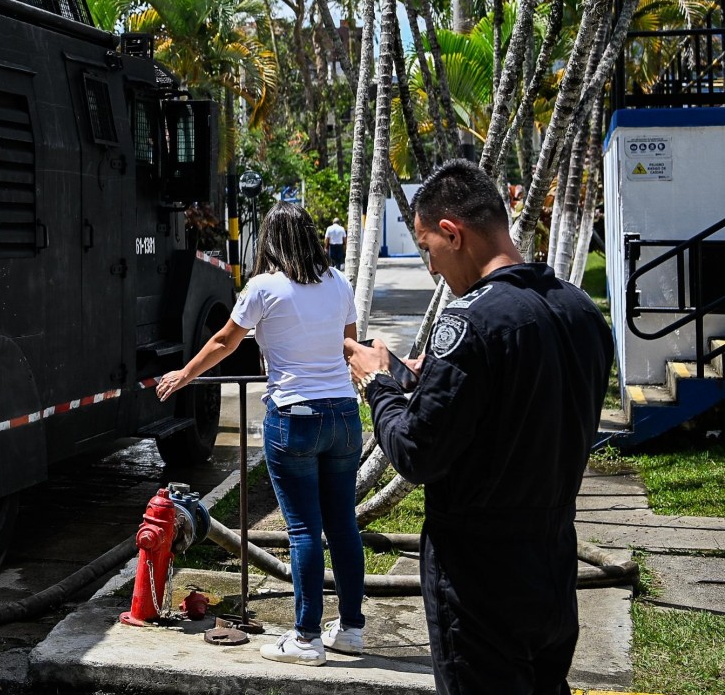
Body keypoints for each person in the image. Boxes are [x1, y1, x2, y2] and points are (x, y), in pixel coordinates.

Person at [346, 159, 612, 695]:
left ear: (453, 232)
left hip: (480, 579)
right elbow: (522, 409)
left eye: (428, 249)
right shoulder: (580, 310)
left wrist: (379, 385)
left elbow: (417, 451)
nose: (432, 268)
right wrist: (429, 380)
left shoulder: (470, 321)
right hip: (552, 562)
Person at [157, 203, 366, 667]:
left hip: (294, 417)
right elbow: (348, 346)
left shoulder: (263, 287)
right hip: (344, 416)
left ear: (270, 242)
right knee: (343, 524)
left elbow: (224, 341)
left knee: (304, 529)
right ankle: (351, 629)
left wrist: (185, 375)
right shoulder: (338, 283)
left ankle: (307, 638)